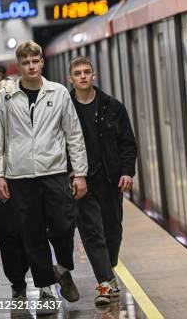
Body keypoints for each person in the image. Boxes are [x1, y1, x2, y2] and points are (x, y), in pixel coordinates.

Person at [0, 41, 88, 306]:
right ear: (19, 66)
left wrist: (79, 173)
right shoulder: (6, 96)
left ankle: (63, 269)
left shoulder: (58, 93)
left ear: (42, 62)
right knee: (31, 233)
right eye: (26, 63)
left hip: (54, 172)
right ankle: (45, 285)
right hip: (20, 176)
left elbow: (74, 135)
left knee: (64, 225)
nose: (31, 66)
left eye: (36, 61)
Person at [68, 56, 136, 304]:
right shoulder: (65, 108)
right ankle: (104, 284)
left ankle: (108, 270)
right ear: (71, 78)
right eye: (78, 73)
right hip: (82, 180)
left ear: (93, 75)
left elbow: (128, 143)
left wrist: (127, 171)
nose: (83, 76)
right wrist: (72, 175)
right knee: (92, 233)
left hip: (110, 180)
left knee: (112, 231)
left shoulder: (113, 107)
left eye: (87, 72)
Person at [0, 70, 29, 298]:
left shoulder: (15, 116)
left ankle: (19, 280)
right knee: (9, 236)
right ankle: (17, 282)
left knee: (17, 235)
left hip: (13, 182)